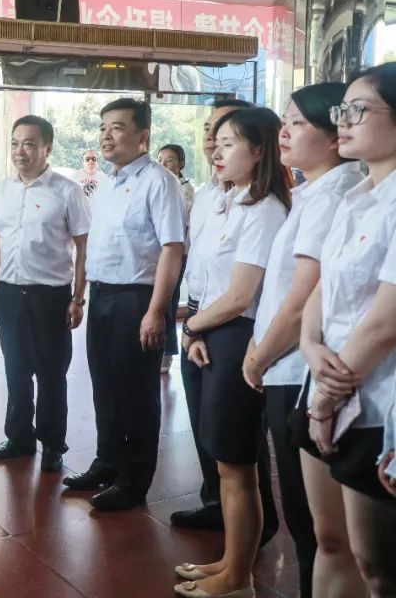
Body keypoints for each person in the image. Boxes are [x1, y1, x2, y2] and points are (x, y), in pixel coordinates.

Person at [240, 83, 360, 598]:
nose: (284, 133)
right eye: (284, 122)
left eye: (298, 123)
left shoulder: (332, 195)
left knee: (316, 524)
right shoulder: (315, 191)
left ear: (335, 136)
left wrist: (259, 356)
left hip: (296, 369)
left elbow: (302, 297)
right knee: (308, 520)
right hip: (286, 363)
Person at [173, 107, 290, 598]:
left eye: (228, 143)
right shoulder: (220, 200)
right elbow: (204, 280)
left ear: (259, 150)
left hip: (238, 336)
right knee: (223, 460)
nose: (216, 151)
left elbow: (242, 295)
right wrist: (196, 328)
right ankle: (228, 561)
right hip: (208, 330)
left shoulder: (265, 210)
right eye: (215, 142)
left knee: (237, 463)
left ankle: (239, 578)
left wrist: (191, 326)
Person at [299, 63, 396, 595]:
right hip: (329, 386)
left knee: (378, 566)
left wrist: (325, 401)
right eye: (343, 110)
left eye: (359, 110)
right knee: (336, 542)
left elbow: (384, 323)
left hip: (377, 405)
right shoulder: (357, 196)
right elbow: (323, 286)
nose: (344, 120)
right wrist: (309, 343)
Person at [62, 98, 186, 511]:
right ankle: (107, 462)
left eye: (116, 127)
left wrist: (156, 310)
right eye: (103, 128)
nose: (106, 136)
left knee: (136, 393)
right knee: (105, 386)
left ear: (142, 136)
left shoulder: (159, 182)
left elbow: (172, 248)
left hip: (137, 298)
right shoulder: (107, 183)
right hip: (102, 295)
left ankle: (134, 480)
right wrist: (81, 295)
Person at [0, 116, 89, 472]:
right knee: (15, 370)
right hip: (10, 293)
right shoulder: (3, 189)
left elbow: (83, 247)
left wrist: (78, 297)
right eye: (15, 143)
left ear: (48, 148)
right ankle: (19, 437)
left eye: (29, 143)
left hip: (50, 297)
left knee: (50, 374)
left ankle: (52, 444)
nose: (20, 151)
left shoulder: (67, 191)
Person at [157, 143, 195, 374]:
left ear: (181, 163)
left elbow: (181, 223)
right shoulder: (159, 185)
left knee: (168, 302)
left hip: (177, 254)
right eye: (160, 160)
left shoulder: (185, 189)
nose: (164, 164)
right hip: (158, 254)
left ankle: (167, 352)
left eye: (169, 160)